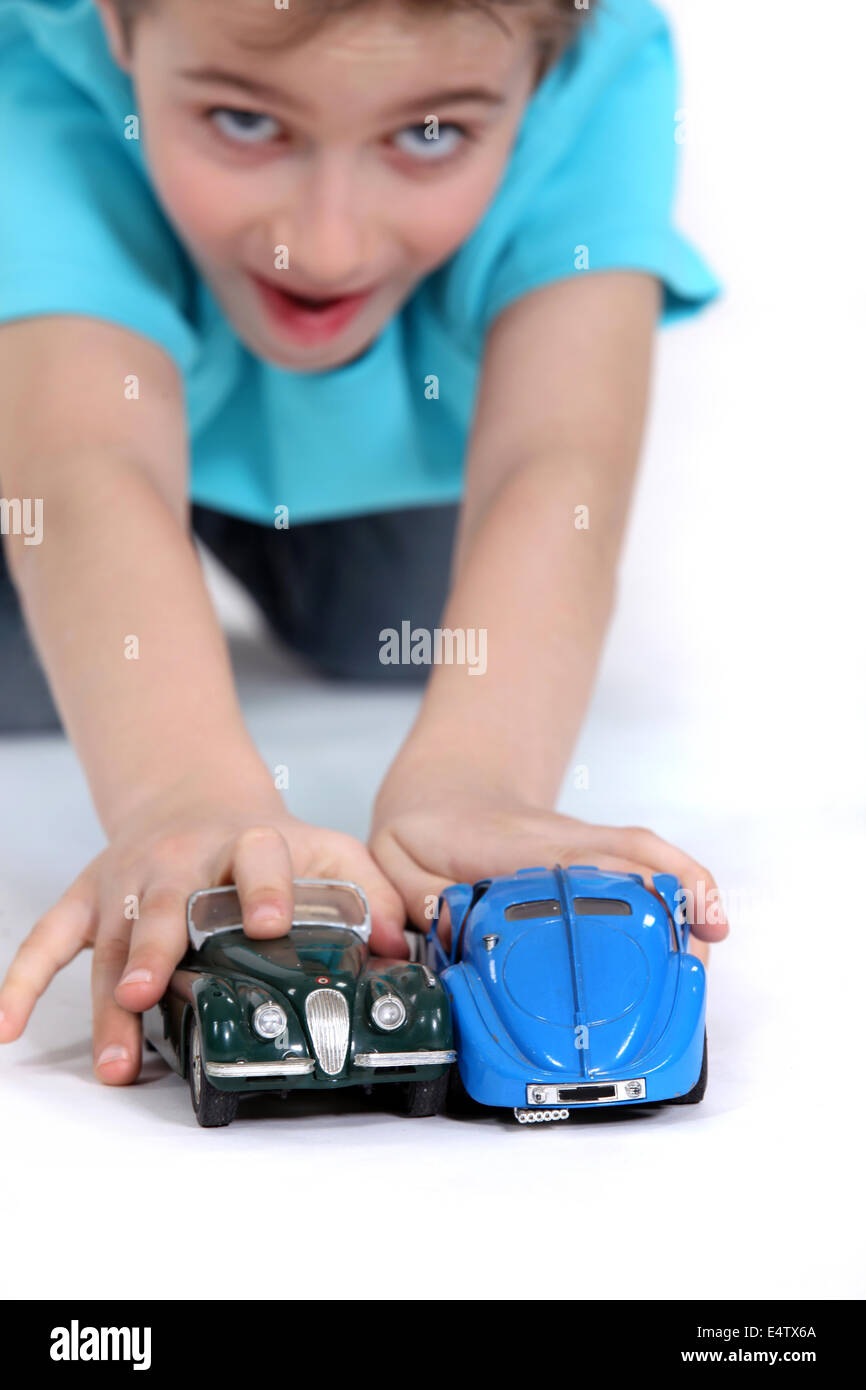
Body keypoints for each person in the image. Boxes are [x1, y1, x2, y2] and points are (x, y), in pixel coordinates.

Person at [0, 0, 728, 1084]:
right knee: (29, 679)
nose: (325, 242)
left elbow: (554, 460)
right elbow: (83, 464)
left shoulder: (598, 61)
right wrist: (182, 792)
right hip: (51, 395)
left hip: (375, 442)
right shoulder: (35, 67)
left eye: (429, 132)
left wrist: (475, 779)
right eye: (244, 121)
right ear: (113, 19)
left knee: (383, 627)